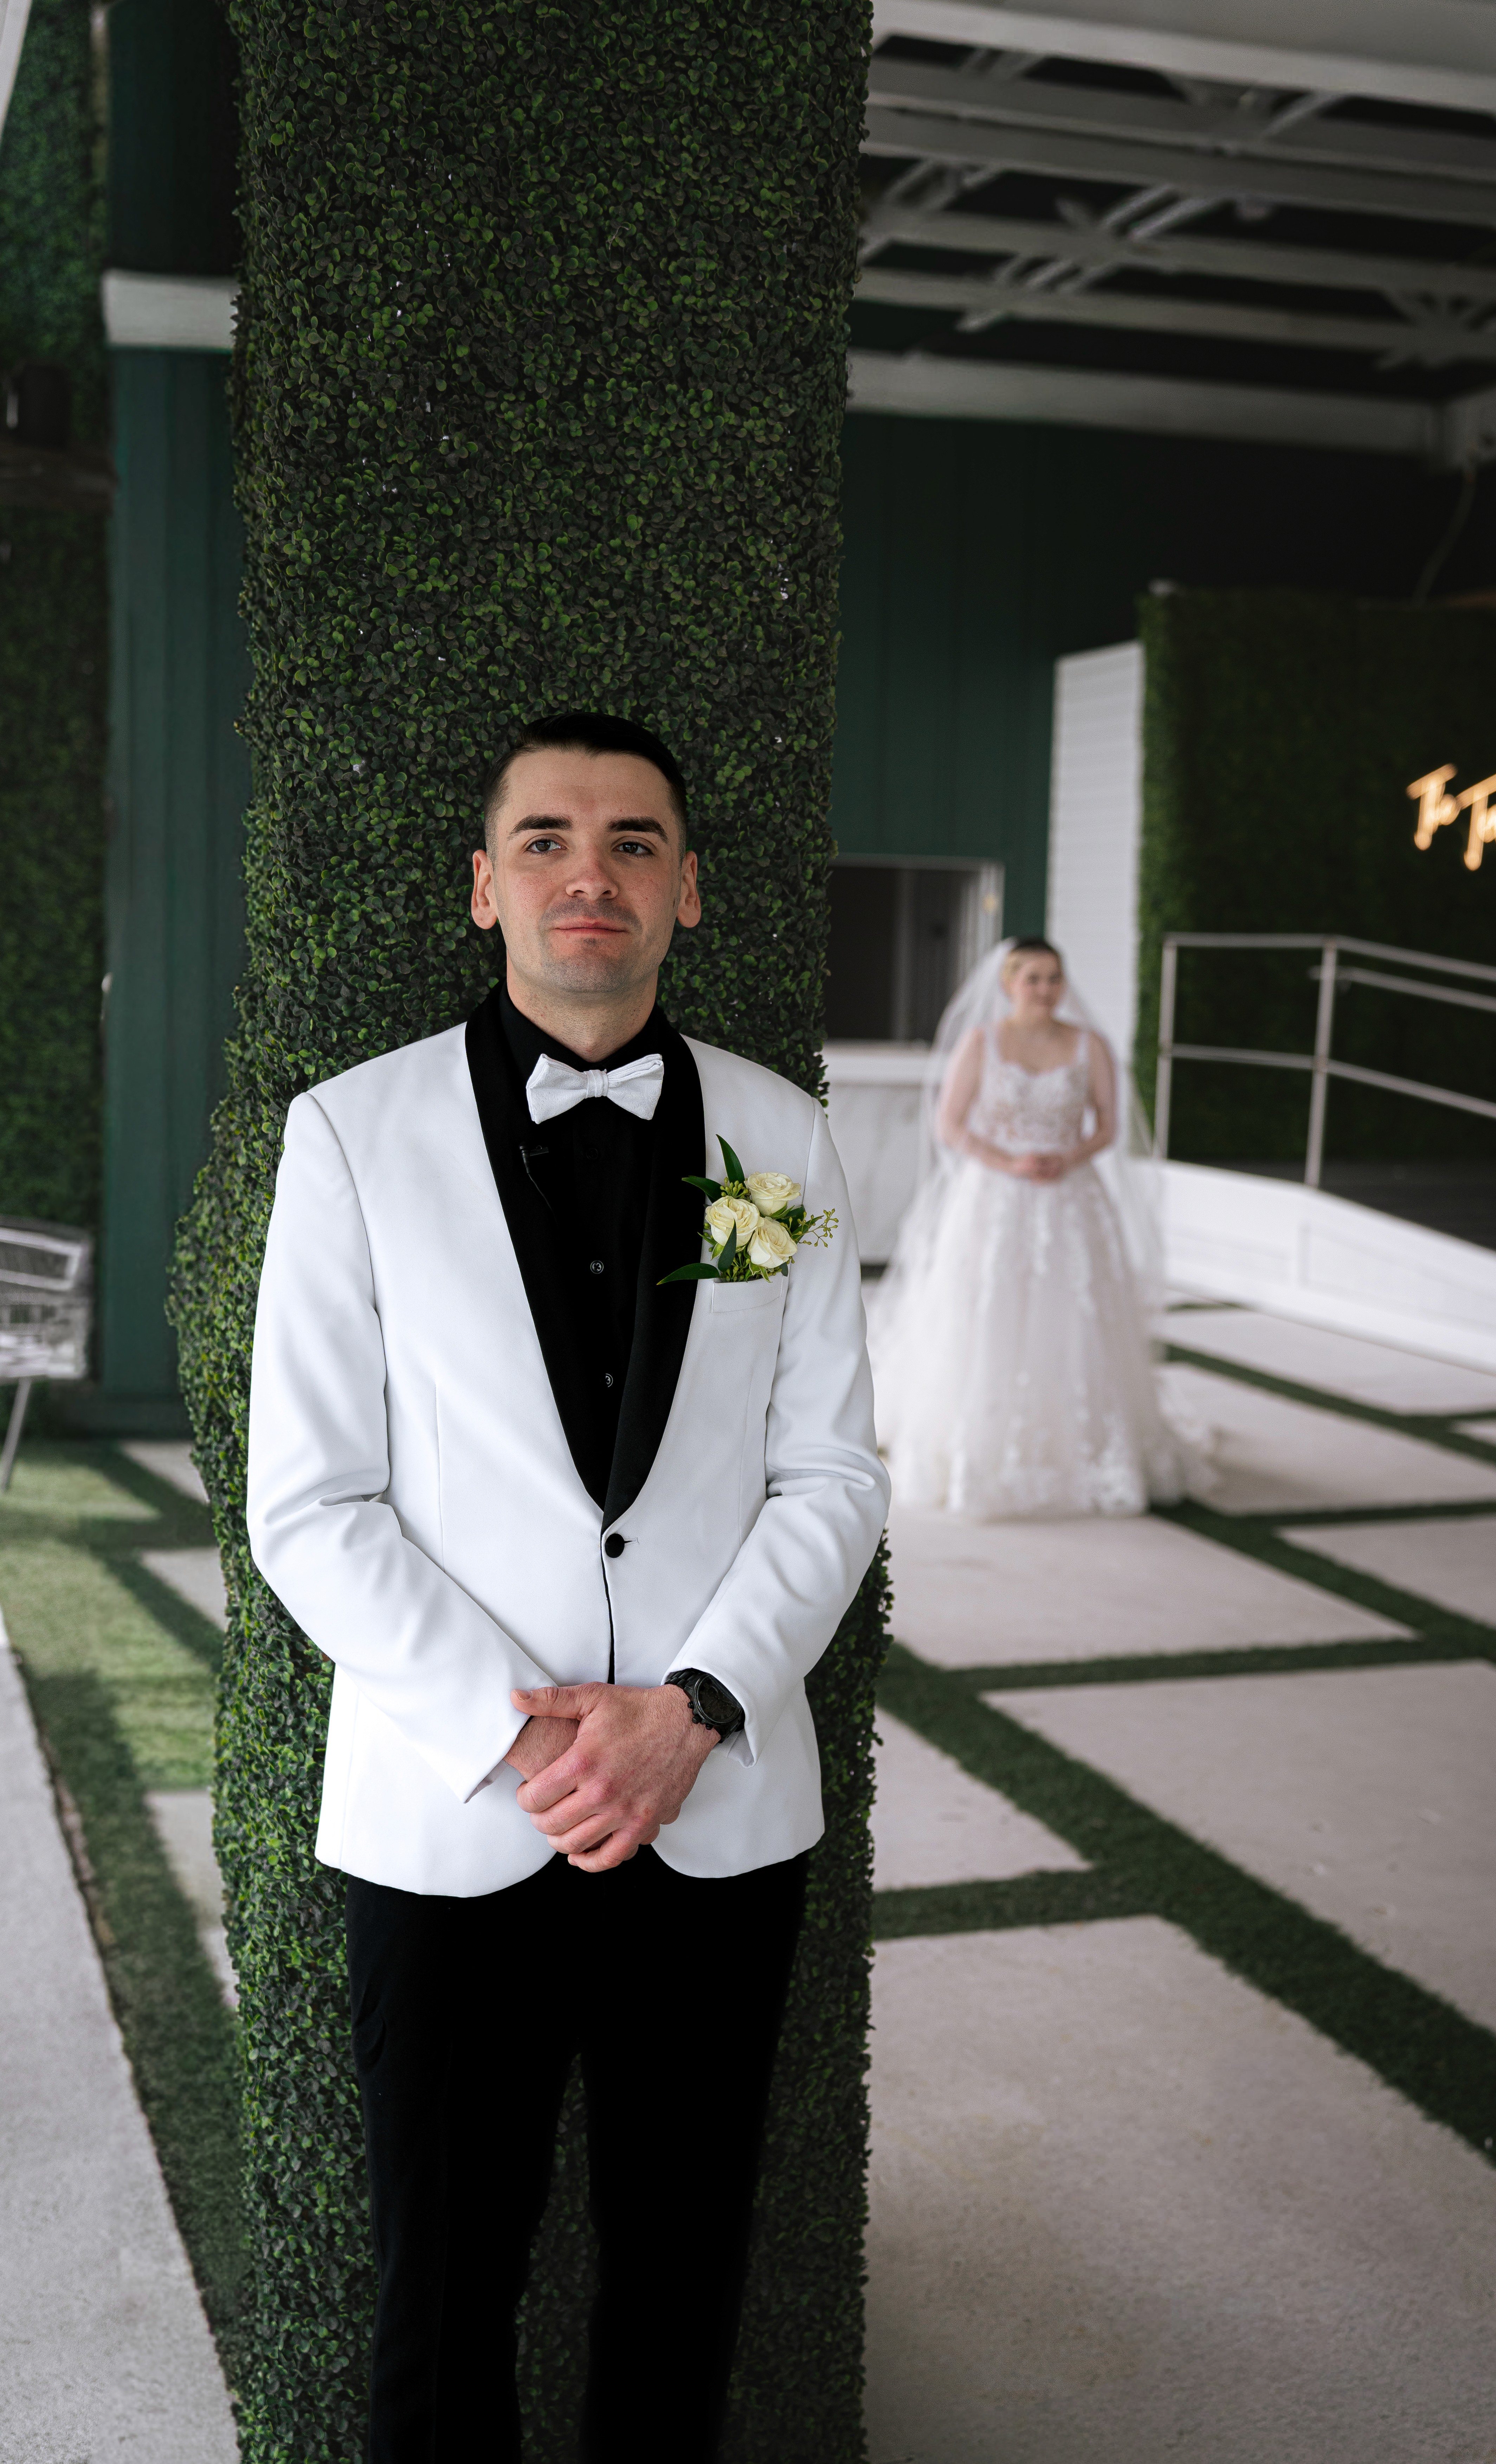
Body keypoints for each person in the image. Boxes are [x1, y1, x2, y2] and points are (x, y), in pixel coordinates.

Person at [245, 710, 888, 2463]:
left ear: (683, 889)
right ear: (482, 885)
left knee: (682, 2286)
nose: (584, 872)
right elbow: (310, 1501)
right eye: (543, 838)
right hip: (456, 1816)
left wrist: (686, 1713)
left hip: (715, 1802)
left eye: (627, 841)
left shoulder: (773, 1139)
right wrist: (529, 1736)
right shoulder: (351, 1136)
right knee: (440, 2301)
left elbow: (828, 1469)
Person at [873, 935, 1195, 1520]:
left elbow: (1107, 1126)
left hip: (1072, 1199)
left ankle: (1086, 1449)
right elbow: (949, 1125)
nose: (1045, 990)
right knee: (989, 1312)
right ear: (1009, 984)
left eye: (1054, 978)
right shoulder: (982, 1043)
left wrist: (1066, 1159)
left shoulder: (1090, 1045)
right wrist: (1010, 1163)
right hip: (994, 1197)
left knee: (1074, 1319)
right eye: (1033, 979)